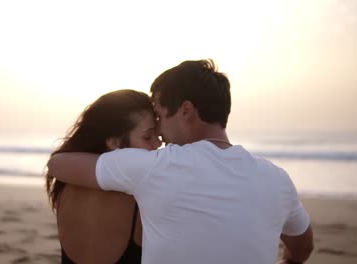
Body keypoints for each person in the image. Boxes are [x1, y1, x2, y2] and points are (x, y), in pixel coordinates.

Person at [47, 59, 314, 264]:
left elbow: (58, 163)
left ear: (185, 110)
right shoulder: (278, 179)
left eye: (160, 116)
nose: (160, 134)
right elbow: (303, 248)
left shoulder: (156, 167)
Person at [45, 89, 161, 263]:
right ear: (114, 142)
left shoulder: (65, 185)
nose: (158, 143)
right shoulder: (139, 197)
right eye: (148, 136)